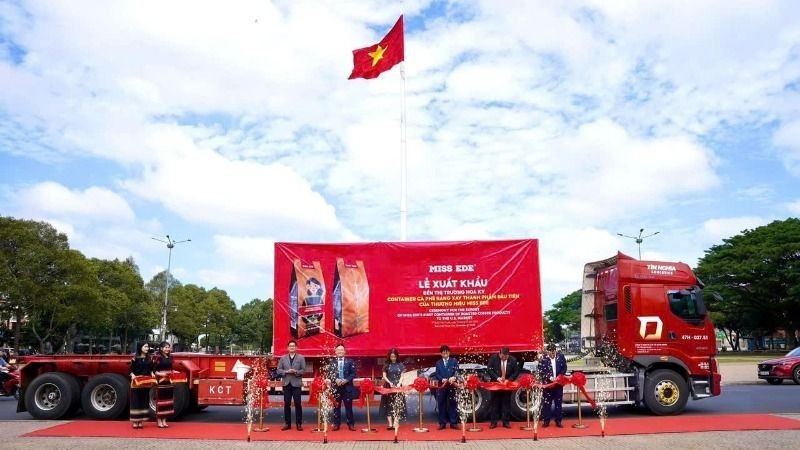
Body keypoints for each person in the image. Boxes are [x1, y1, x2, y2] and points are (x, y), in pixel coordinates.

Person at [486, 346, 520, 428]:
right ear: (499, 353)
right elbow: (489, 369)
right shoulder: (493, 358)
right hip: (496, 384)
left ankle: (506, 422)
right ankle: (493, 422)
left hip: (507, 385)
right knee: (494, 403)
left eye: (506, 357)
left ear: (508, 355)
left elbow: (516, 372)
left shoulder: (513, 360)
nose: (504, 358)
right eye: (502, 357)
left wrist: (509, 380)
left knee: (506, 403)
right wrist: (497, 378)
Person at [326, 343, 356, 431]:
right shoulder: (332, 362)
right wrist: (335, 380)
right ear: (335, 352)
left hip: (347, 387)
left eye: (341, 350)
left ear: (345, 351)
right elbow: (329, 374)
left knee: (349, 407)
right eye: (338, 350)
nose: (340, 351)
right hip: (336, 387)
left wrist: (346, 380)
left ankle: (351, 424)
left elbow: (353, 374)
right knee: (336, 407)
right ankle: (336, 424)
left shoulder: (350, 362)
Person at [277, 340, 306, 431]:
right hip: (286, 383)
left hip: (296, 383)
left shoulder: (301, 358)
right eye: (290, 346)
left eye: (293, 346)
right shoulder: (283, 358)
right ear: (287, 348)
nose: (292, 347)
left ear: (296, 347)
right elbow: (278, 370)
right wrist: (286, 372)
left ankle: (299, 423)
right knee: (287, 404)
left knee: (298, 404)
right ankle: (287, 424)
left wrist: (296, 372)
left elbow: (303, 370)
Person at [539, 343, 567, 428]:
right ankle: (546, 421)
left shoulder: (561, 357)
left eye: (553, 353)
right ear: (547, 352)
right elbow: (541, 371)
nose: (552, 354)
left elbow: (564, 368)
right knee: (547, 404)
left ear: (555, 351)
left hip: (558, 384)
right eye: (550, 353)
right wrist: (549, 377)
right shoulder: (543, 359)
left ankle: (558, 421)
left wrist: (559, 377)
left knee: (558, 403)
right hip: (548, 384)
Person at [431, 344, 459, 430]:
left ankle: (453, 423)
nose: (445, 354)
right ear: (441, 354)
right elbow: (437, 374)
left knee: (453, 403)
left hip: (451, 385)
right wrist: (441, 379)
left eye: (447, 353)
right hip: (442, 386)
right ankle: (442, 423)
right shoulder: (438, 363)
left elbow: (456, 371)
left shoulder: (454, 361)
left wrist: (454, 377)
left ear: (449, 353)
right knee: (441, 404)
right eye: (443, 353)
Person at [379, 348, 407, 430]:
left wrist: (399, 383)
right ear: (389, 357)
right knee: (388, 404)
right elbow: (384, 375)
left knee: (397, 404)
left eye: (394, 357)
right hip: (388, 386)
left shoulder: (400, 365)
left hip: (398, 387)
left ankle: (396, 423)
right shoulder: (386, 365)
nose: (393, 358)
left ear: (397, 356)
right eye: (391, 357)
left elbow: (402, 375)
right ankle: (390, 424)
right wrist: (389, 382)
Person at [129, 342, 154, 429]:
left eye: (148, 347)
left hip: (145, 382)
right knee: (136, 401)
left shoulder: (149, 358)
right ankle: (135, 421)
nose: (147, 348)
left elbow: (151, 369)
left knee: (144, 401)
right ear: (140, 347)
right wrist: (132, 375)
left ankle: (141, 421)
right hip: (137, 382)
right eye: (145, 347)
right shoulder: (134, 358)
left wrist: (152, 373)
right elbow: (131, 370)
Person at [153, 341, 174, 429]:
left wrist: (174, 372)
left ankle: (164, 420)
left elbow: (171, 369)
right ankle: (159, 420)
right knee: (161, 401)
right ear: (161, 348)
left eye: (168, 347)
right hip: (161, 381)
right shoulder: (158, 357)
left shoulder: (170, 357)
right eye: (165, 347)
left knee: (167, 401)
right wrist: (162, 375)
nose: (167, 349)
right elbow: (154, 371)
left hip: (169, 381)